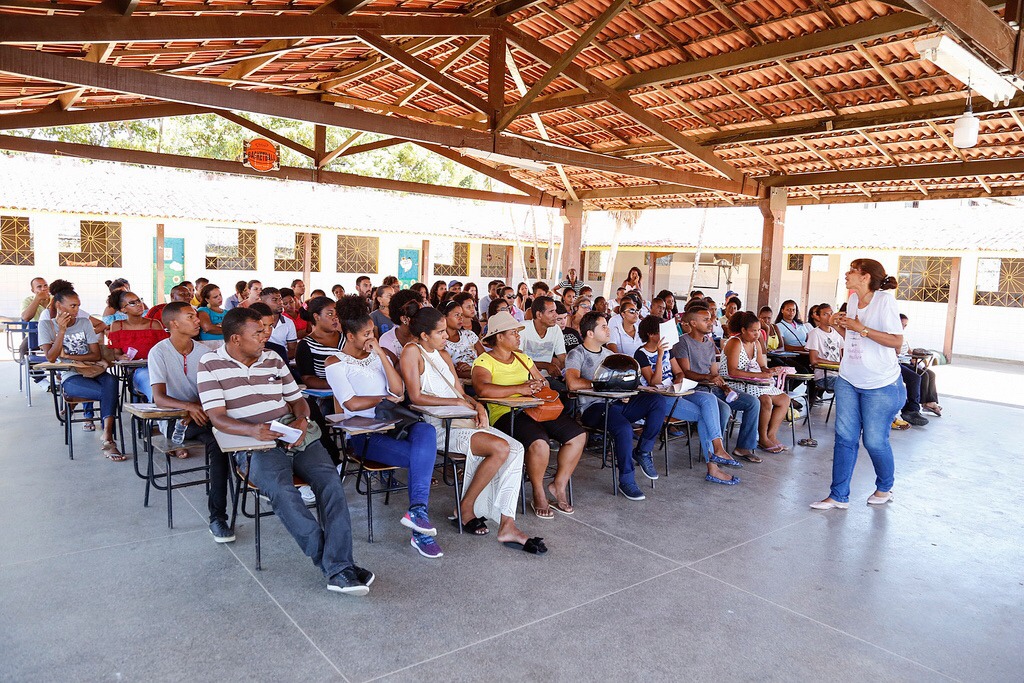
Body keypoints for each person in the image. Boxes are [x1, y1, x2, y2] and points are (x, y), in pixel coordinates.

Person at [198, 308, 371, 594]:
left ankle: (338, 566)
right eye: (258, 333)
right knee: (282, 492)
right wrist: (252, 431)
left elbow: (297, 400)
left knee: (331, 485)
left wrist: (303, 420)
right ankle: (337, 566)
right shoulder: (210, 363)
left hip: (294, 433)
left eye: (265, 331)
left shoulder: (273, 358)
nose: (265, 336)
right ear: (236, 339)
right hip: (254, 443)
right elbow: (217, 417)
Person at [400, 308, 541, 552]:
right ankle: (467, 507)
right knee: (500, 447)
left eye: (445, 330)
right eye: (441, 332)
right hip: (437, 425)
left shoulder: (443, 355)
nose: (447, 336)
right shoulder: (412, 352)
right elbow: (415, 396)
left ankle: (507, 523)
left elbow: (461, 393)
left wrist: (477, 405)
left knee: (516, 448)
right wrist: (455, 403)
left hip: (463, 418)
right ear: (424, 335)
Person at [324, 297, 442, 559]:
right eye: (366, 334)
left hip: (394, 424)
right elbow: (351, 404)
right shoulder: (335, 363)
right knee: (420, 457)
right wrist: (382, 399)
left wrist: (379, 354)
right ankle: (419, 528)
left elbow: (398, 390)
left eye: (373, 332)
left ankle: (418, 514)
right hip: (365, 434)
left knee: (427, 431)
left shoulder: (379, 355)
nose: (371, 336)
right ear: (349, 335)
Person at [811, 259, 906, 511]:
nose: (846, 273)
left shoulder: (884, 301)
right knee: (844, 438)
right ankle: (838, 495)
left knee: (874, 441)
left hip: (881, 384)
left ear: (865, 277)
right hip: (849, 379)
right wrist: (839, 326)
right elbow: (853, 338)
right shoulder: (852, 299)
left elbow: (896, 341)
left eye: (852, 270)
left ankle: (885, 487)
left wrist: (861, 328)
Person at [473, 311, 585, 518]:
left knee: (577, 435)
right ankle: (538, 491)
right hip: (505, 414)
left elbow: (542, 382)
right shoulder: (484, 361)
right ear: (499, 336)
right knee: (539, 442)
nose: (518, 336)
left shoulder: (523, 358)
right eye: (514, 333)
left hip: (535, 409)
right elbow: (482, 390)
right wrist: (521, 388)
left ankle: (558, 485)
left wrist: (537, 384)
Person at [149, 302, 232, 537]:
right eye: (190, 316)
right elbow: (159, 397)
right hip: (176, 421)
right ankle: (218, 516)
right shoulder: (159, 352)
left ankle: (218, 515)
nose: (198, 320)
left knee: (221, 442)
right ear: (174, 324)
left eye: (196, 316)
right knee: (220, 440)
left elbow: (212, 388)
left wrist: (199, 406)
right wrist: (188, 407)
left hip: (204, 416)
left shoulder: (204, 352)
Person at [566, 311, 669, 500]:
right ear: (590, 333)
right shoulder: (577, 353)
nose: (608, 330)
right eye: (603, 326)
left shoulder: (610, 355)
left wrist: (633, 389)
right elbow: (572, 383)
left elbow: (621, 380)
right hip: (594, 408)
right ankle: (627, 479)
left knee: (656, 401)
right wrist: (604, 382)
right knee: (623, 428)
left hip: (617, 404)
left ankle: (643, 451)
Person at [634, 315, 741, 483]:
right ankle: (713, 466)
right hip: (660, 399)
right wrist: (661, 355)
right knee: (705, 415)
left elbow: (679, 372)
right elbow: (654, 382)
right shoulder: (641, 354)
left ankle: (718, 449)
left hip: (676, 391)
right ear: (651, 334)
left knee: (709, 400)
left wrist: (677, 381)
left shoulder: (668, 350)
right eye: (660, 332)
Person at [38, 280, 122, 460]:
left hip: (93, 371)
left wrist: (70, 356)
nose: (76, 310)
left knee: (112, 382)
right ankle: (108, 439)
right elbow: (51, 357)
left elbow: (95, 354)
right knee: (109, 391)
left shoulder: (84, 323)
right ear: (59, 305)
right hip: (70, 376)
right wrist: (61, 331)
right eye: (73, 306)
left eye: (78, 306)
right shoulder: (46, 325)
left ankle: (107, 435)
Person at [671, 307, 761, 463]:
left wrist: (724, 386)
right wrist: (709, 377)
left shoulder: (709, 343)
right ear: (693, 323)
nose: (711, 323)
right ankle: (712, 453)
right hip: (694, 388)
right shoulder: (682, 342)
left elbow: (714, 371)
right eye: (705, 320)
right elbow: (685, 372)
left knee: (753, 402)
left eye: (710, 319)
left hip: (712, 387)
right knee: (724, 409)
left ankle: (743, 447)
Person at [722, 312, 791, 454]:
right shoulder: (735, 342)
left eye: (759, 330)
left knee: (784, 399)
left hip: (752, 382)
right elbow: (732, 372)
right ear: (743, 330)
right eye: (754, 331)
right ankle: (763, 438)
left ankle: (771, 435)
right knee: (765, 400)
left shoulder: (756, 344)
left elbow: (762, 366)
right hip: (734, 383)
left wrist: (771, 370)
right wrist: (761, 374)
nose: (757, 334)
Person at [106, 290, 169, 401]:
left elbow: (164, 350)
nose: (139, 305)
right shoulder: (117, 326)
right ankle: (157, 408)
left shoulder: (154, 324)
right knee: (151, 383)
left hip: (157, 367)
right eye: (132, 303)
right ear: (123, 309)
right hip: (136, 370)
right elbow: (116, 354)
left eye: (139, 300)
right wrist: (121, 357)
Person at [900, 314, 942, 417]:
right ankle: (920, 404)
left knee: (930, 373)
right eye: (901, 324)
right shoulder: (893, 335)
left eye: (905, 325)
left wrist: (914, 358)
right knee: (920, 376)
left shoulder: (903, 337)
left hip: (907, 361)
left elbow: (909, 350)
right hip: (899, 362)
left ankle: (931, 401)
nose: (903, 327)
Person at [519, 297, 566, 383]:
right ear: (539, 315)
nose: (556, 315)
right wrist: (546, 365)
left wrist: (569, 371)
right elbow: (517, 359)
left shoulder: (556, 329)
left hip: (546, 378)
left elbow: (562, 358)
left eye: (555, 311)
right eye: (551, 312)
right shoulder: (523, 328)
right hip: (524, 378)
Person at [440, 299, 484, 379]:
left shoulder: (469, 335)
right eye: (457, 315)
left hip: (479, 375)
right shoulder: (440, 342)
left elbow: (485, 358)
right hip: (460, 383)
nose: (461, 318)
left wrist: (472, 369)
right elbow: (449, 371)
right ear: (444, 317)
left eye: (461, 315)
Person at [805, 304, 843, 391]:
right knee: (847, 387)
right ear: (818, 317)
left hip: (839, 374)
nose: (830, 317)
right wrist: (837, 364)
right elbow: (814, 360)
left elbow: (842, 355)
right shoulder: (815, 333)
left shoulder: (838, 333)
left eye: (831, 313)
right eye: (825, 314)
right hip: (824, 377)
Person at [380, 289, 422, 364]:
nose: (423, 315)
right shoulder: (386, 341)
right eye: (418, 312)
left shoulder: (425, 334)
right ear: (404, 319)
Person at [258, 287, 297, 361]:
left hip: (282, 360)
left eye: (280, 299)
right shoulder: (255, 322)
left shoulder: (289, 323)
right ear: (263, 302)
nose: (280, 303)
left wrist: (276, 359)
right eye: (275, 300)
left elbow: (293, 350)